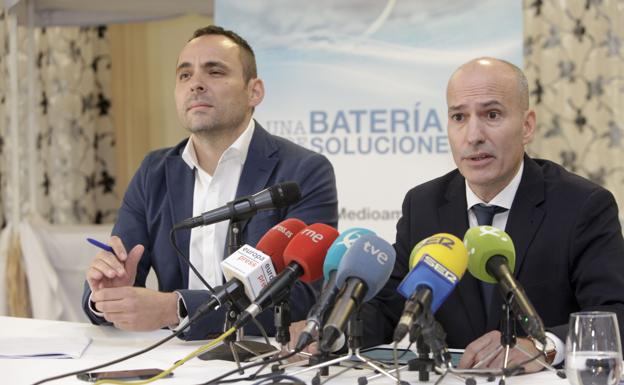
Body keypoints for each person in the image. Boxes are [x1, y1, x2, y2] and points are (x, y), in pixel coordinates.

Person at [361, 57, 624, 372]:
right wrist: (329, 331)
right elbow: (391, 307)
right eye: (459, 116)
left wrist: (543, 347)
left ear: (527, 126)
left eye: (492, 114)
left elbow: (615, 313)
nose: (473, 135)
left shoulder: (582, 205)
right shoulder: (423, 204)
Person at [81, 25, 338, 340]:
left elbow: (303, 298)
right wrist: (107, 295)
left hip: (260, 357)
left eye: (214, 72)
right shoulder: (154, 171)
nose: (196, 85)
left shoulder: (304, 171)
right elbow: (117, 271)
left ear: (254, 91)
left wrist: (176, 308)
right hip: (169, 357)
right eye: (184, 75)